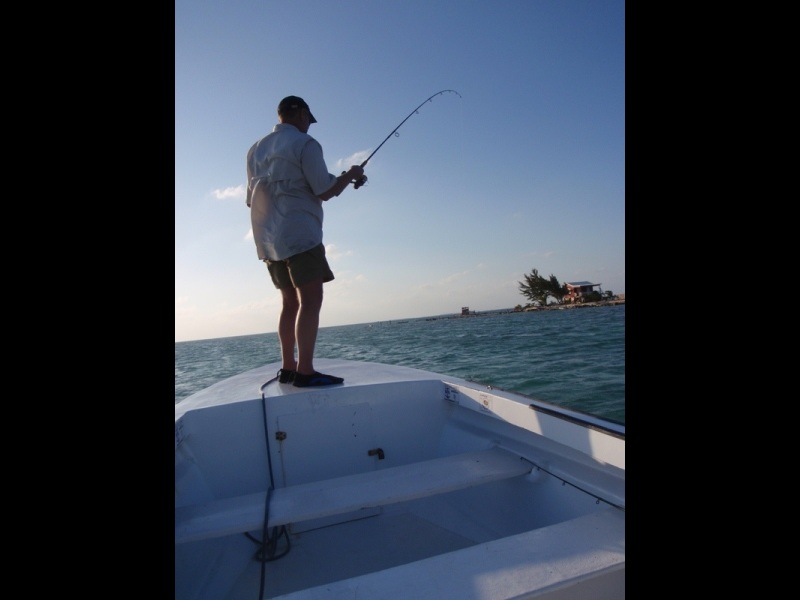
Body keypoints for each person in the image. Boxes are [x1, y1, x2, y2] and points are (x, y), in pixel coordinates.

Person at [246, 96, 365, 387]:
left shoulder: (255, 149)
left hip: (269, 238)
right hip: (300, 234)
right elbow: (324, 190)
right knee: (311, 301)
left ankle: (288, 368)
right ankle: (306, 371)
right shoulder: (305, 144)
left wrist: (341, 178)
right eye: (308, 120)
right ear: (299, 114)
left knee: (289, 303)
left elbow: (252, 199)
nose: (309, 126)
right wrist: (351, 174)